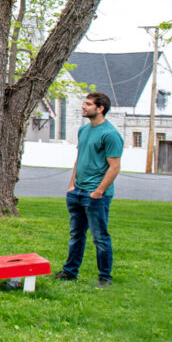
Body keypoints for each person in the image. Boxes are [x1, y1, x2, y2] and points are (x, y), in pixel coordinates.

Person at [55, 91, 123, 288]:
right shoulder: (84, 131)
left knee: (100, 238)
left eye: (88, 104)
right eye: (85, 104)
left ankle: (105, 279)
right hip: (77, 192)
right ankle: (70, 272)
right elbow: (80, 158)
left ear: (100, 109)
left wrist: (98, 192)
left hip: (96, 196)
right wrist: (71, 185)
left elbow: (115, 166)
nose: (83, 107)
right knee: (76, 235)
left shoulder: (110, 134)